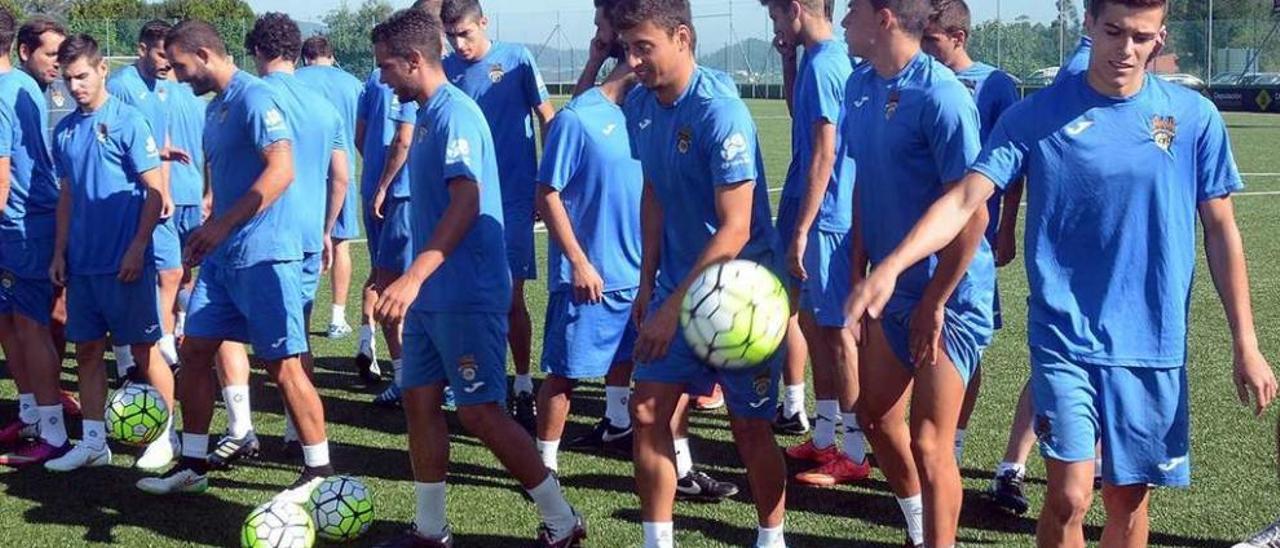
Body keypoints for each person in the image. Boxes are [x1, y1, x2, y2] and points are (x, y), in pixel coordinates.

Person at [847, 1, 1277, 546]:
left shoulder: (1193, 118)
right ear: (1089, 27)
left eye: (1141, 37)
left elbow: (1220, 230)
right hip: (1065, 337)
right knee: (1072, 494)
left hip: (1153, 341)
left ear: (1160, 37)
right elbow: (964, 200)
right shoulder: (1035, 116)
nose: (1126, 49)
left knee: (1126, 499)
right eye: (1113, 31)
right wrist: (893, 264)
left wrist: (1247, 342)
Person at [367, 9, 586, 546]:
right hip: (433, 298)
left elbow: (467, 200)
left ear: (415, 61)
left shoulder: (455, 115)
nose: (382, 78)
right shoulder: (423, 115)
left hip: (465, 293)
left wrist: (414, 276)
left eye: (386, 67)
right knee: (420, 401)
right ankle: (430, 528)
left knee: (480, 412)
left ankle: (561, 519)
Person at [612, 0, 788, 546]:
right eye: (627, 48)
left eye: (644, 47)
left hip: (741, 295)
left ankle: (771, 535)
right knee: (645, 410)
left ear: (682, 38)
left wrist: (670, 308)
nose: (633, 60)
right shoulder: (640, 105)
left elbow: (735, 229)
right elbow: (654, 193)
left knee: (749, 428)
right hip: (676, 288)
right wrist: (648, 284)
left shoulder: (719, 110)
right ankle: (657, 540)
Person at [138, 19, 333, 501]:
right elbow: (223, 173)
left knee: (283, 364)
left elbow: (282, 169)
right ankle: (194, 462)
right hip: (225, 261)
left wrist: (222, 225)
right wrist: (211, 220)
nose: (178, 76)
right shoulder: (216, 109)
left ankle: (319, 474)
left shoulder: (255, 98)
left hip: (266, 255)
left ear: (204, 55)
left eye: (181, 66)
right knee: (196, 351)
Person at [840, 0, 994, 545]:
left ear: (883, 18)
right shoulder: (860, 86)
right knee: (876, 417)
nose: (842, 21)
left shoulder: (943, 96)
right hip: (893, 288)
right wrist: (859, 267)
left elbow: (973, 213)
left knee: (931, 444)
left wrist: (934, 301)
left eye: (852, 9)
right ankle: (919, 526)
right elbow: (864, 183)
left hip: (948, 295)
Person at [42, 34, 173, 473]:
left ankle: (166, 436)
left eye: (82, 76)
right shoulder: (64, 132)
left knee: (145, 352)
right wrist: (60, 252)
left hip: (126, 265)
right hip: (83, 265)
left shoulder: (128, 121)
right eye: (67, 79)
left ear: (102, 70)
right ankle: (95, 441)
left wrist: (138, 247)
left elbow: (156, 192)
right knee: (88, 352)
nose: (75, 86)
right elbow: (68, 195)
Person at [760, 0, 867, 487]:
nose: (776, 26)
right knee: (813, 322)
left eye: (777, 15)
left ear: (796, 9)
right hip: (812, 211)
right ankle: (825, 437)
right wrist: (786, 60)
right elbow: (800, 119)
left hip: (825, 219)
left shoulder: (828, 63)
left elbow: (826, 149)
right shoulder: (814, 61)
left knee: (839, 332)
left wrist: (803, 228)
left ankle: (856, 449)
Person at [534, 0, 642, 471]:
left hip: (638, 270)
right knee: (565, 375)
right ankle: (543, 464)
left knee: (627, 357)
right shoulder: (581, 116)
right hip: (590, 272)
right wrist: (578, 260)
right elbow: (547, 192)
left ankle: (618, 422)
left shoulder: (651, 112)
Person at [440, 0, 557, 430]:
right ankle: (473, 380)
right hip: (463, 201)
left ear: (483, 24)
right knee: (466, 295)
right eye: (452, 36)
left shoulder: (517, 60)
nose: (459, 43)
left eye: (465, 34)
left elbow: (548, 118)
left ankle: (522, 385)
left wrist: (547, 183)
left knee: (509, 297)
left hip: (512, 199)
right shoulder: (446, 70)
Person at [919, 0, 1022, 467]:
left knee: (965, 341)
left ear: (958, 38)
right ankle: (924, 433)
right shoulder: (921, 78)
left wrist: (1006, 227)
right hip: (924, 235)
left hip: (973, 240)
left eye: (933, 39)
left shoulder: (996, 85)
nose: (925, 47)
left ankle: (953, 444)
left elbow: (1015, 166)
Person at [104, 19, 191, 470]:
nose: (166, 64)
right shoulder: (120, 87)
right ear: (142, 49)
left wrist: (167, 189)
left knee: (172, 272)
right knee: (131, 279)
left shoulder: (165, 87)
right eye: (160, 55)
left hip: (156, 197)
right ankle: (129, 358)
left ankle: (157, 347)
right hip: (125, 202)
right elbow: (113, 145)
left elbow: (164, 143)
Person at [0, 13, 71, 467]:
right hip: (22, 225)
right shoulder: (24, 87)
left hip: (24, 226)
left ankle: (54, 432)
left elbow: (1, 180)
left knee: (30, 326)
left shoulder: (9, 90)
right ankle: (31, 412)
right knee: (10, 322)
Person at [356, 45, 420, 405]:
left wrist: (379, 182)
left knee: (393, 288)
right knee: (395, 288)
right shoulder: (402, 81)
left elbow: (364, 137)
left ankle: (411, 377)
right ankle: (410, 379)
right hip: (400, 195)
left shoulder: (375, 81)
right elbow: (402, 139)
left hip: (390, 196)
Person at [298, 35, 365, 341]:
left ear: (303, 57)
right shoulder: (352, 84)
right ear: (332, 55)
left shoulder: (294, 80)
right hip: (342, 171)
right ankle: (337, 317)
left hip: (303, 174)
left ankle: (297, 312)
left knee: (297, 246)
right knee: (340, 244)